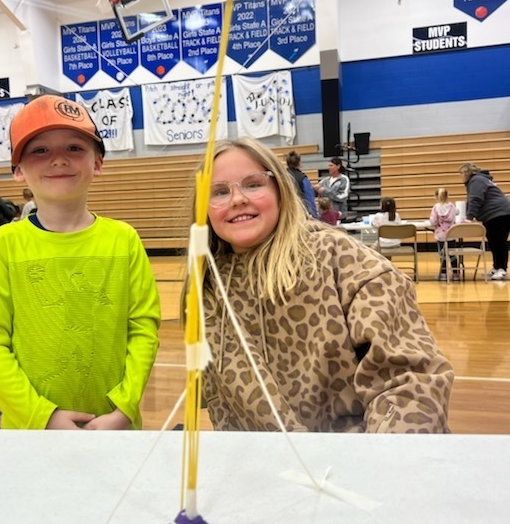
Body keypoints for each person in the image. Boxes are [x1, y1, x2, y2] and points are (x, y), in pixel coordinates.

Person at [185, 137, 452, 433]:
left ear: (280, 190)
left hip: (355, 462)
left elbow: (412, 382)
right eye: (219, 192)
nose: (237, 199)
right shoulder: (206, 287)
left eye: (253, 184)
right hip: (261, 465)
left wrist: (380, 466)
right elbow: (219, 403)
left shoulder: (338, 257)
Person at [0, 95, 161, 430]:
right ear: (18, 170)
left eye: (74, 148)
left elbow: (143, 331)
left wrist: (124, 408)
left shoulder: (124, 239)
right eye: (40, 150)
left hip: (114, 428)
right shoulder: (3, 245)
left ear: (98, 163)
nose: (58, 160)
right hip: (31, 434)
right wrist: (42, 416)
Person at [460, 162, 510, 281]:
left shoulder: (476, 180)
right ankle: (496, 267)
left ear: (467, 173)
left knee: (499, 241)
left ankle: (502, 269)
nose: (460, 176)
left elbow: (476, 199)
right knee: (493, 241)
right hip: (493, 215)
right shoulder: (479, 180)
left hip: (499, 213)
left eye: (461, 173)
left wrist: (469, 217)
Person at [429, 188, 459, 281]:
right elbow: (457, 212)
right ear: (447, 196)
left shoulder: (435, 208)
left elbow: (433, 222)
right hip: (451, 235)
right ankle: (455, 273)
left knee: (442, 255)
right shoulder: (451, 207)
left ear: (437, 197)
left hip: (441, 236)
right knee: (452, 254)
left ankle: (443, 274)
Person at [285, 151, 317, 218]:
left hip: (285, 212)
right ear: (299, 162)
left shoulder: (281, 176)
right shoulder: (302, 178)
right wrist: (314, 215)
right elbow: (309, 198)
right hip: (299, 212)